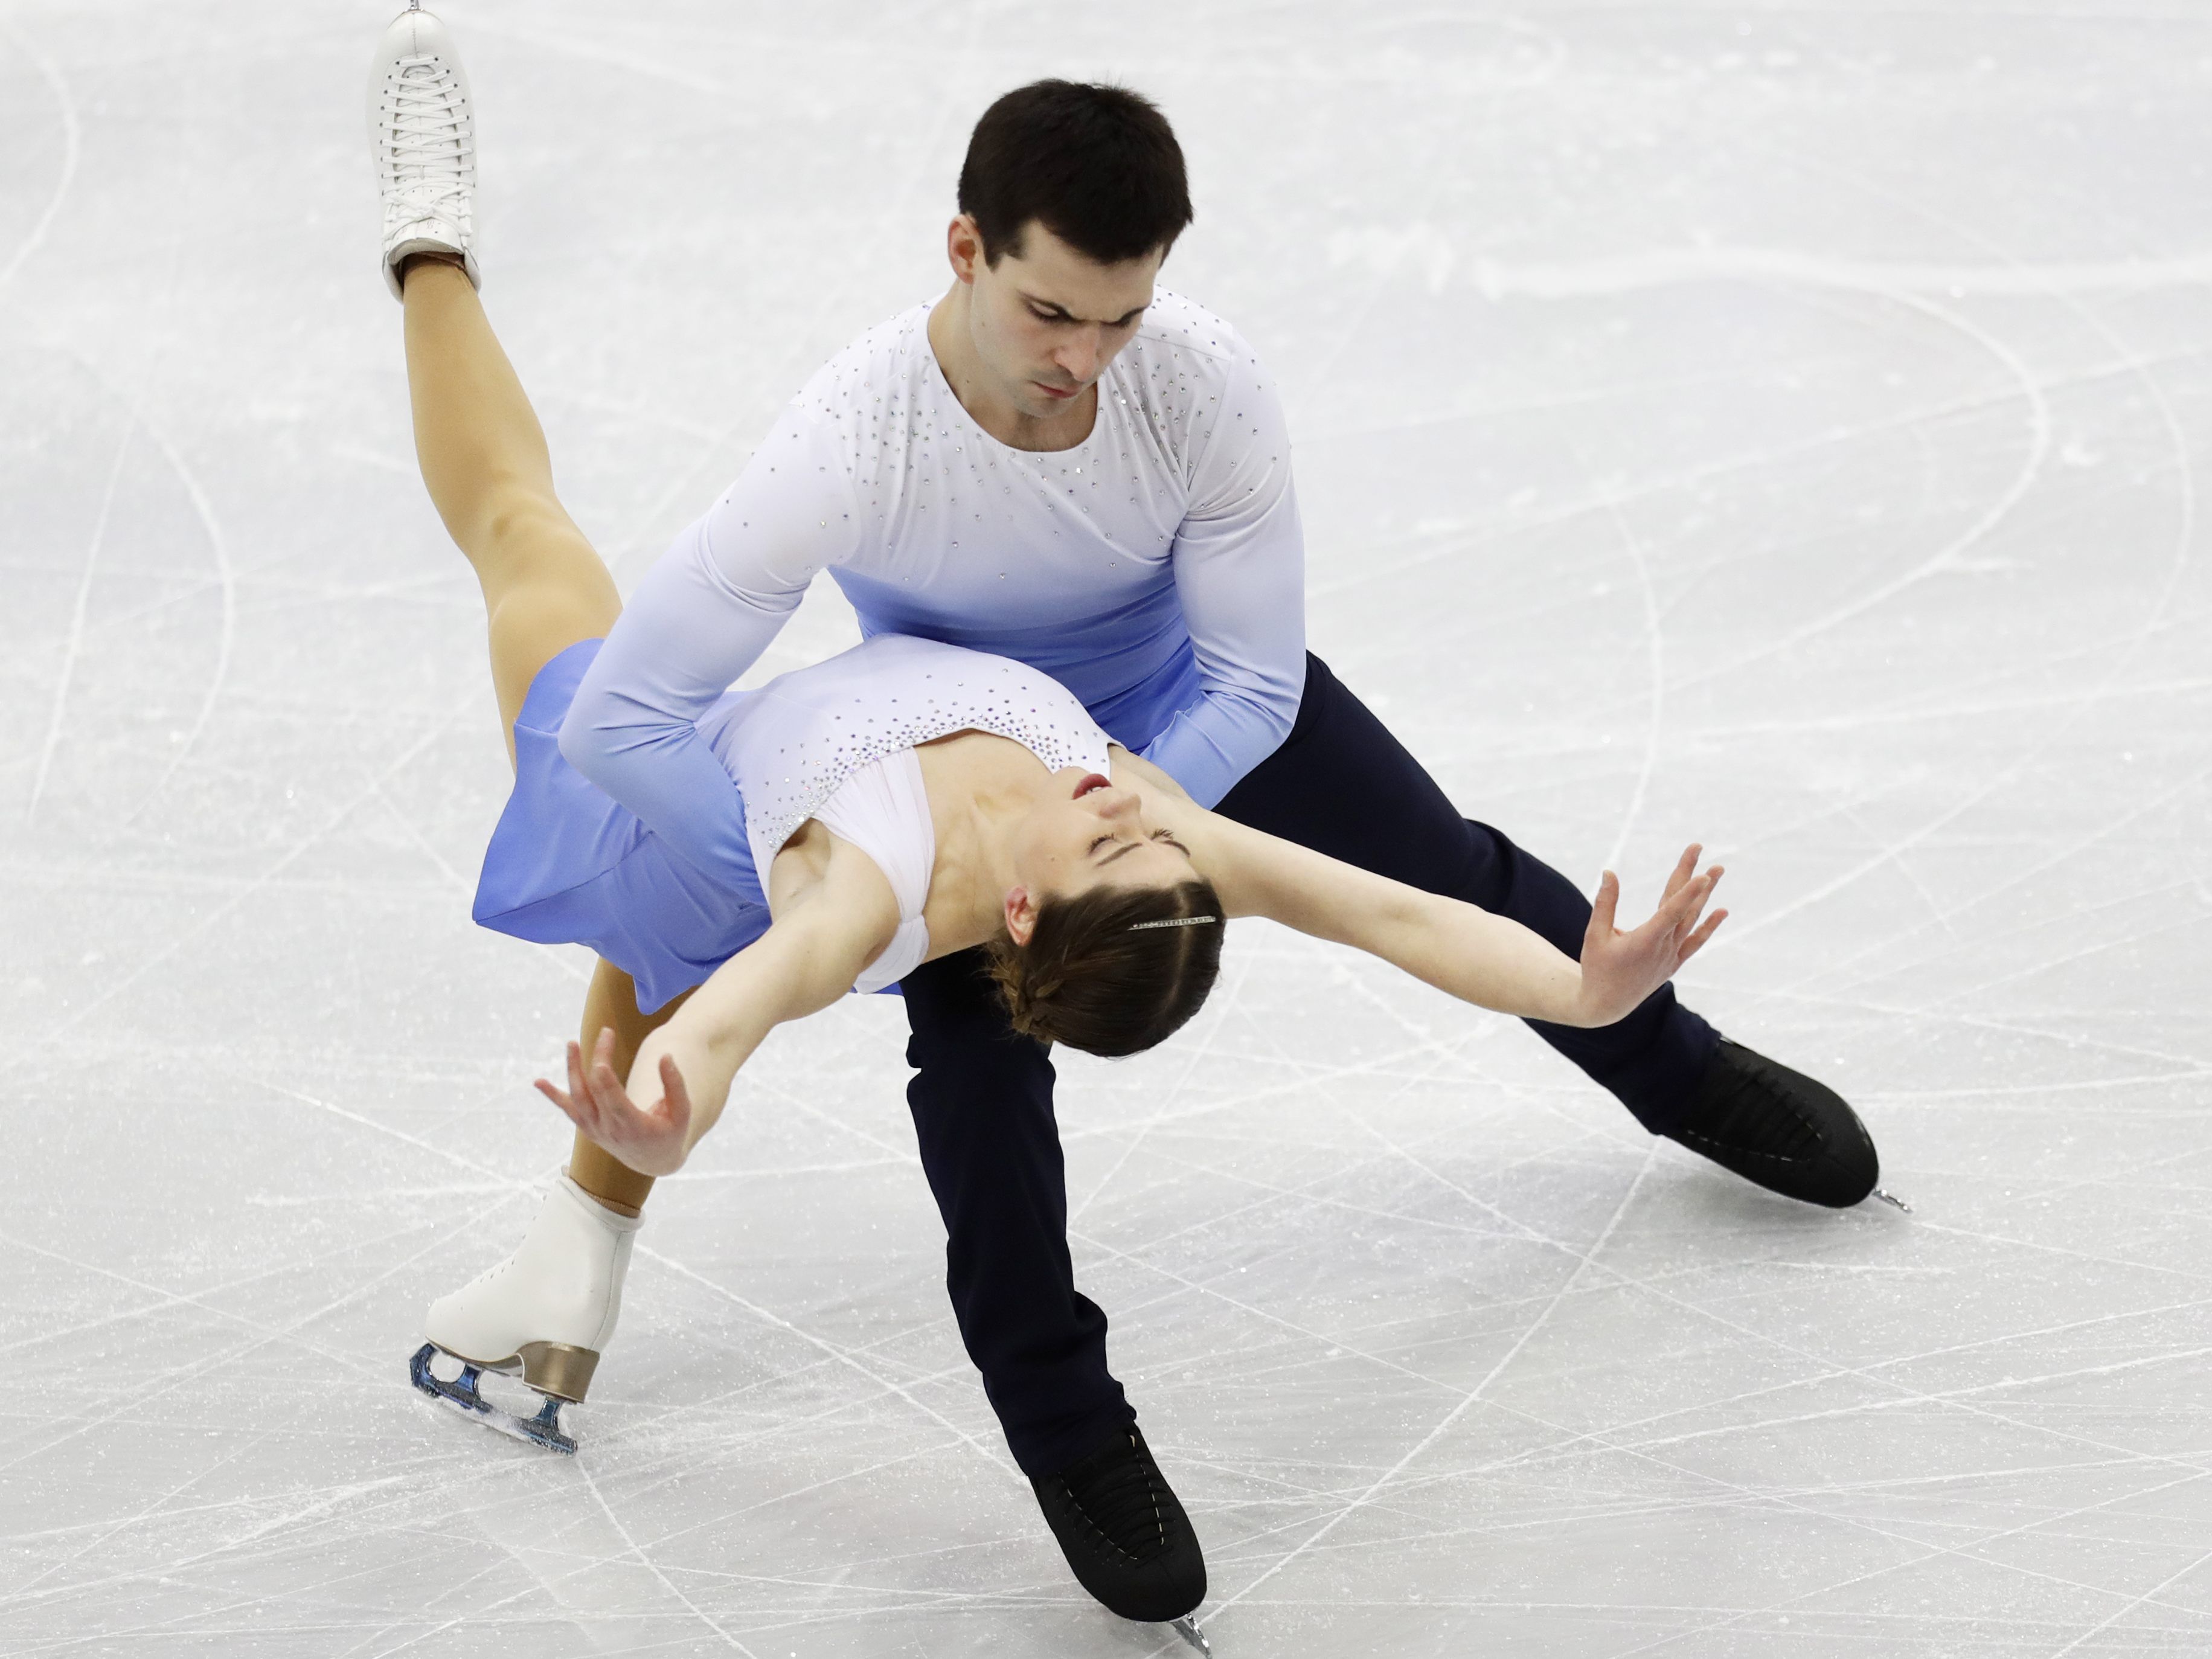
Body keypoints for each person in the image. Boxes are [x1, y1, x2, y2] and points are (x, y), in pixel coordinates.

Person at [368, 4, 1878, 1641]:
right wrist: (803, 861)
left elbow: (1258, 688)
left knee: (1430, 850)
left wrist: (1144, 800)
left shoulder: (1202, 398)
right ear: (963, 248)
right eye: (1050, 312)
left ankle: (1668, 1056)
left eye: (1123, 315)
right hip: (955, 786)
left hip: (1162, 729)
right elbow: (629, 730)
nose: (1086, 357)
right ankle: (1075, 1433)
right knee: (978, 1089)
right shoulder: (849, 446)